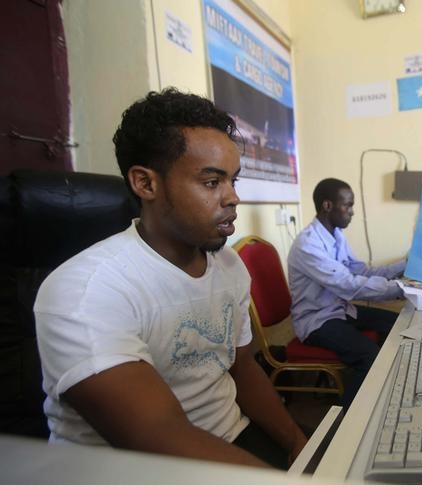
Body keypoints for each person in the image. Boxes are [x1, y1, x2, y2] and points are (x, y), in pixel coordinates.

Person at [34, 88, 307, 470]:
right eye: (212, 182)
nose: (232, 198)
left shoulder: (229, 266)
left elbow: (241, 367)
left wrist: (298, 443)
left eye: (233, 181)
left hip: (232, 438)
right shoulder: (86, 290)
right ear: (146, 184)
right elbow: (155, 434)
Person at [288, 178, 405, 408]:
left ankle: (385, 391)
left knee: (398, 323)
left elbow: (361, 270)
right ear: (328, 206)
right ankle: (344, 419)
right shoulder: (307, 244)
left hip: (340, 310)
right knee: (369, 355)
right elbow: (348, 285)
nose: (352, 212)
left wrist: (404, 265)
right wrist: (399, 289)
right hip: (317, 320)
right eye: (347, 205)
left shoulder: (336, 235)